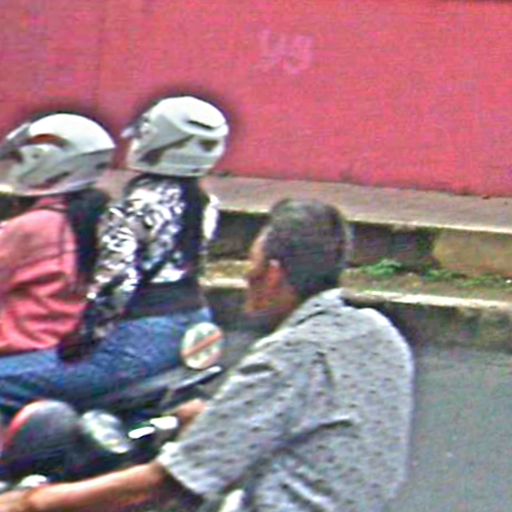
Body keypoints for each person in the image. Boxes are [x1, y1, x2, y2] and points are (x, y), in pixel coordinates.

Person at [0, 199, 414, 512]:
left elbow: (170, 481)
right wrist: (214, 419)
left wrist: (33, 502)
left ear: (272, 273)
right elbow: (311, 422)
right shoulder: (378, 333)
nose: (246, 275)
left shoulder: (291, 354)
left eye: (251, 262)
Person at [0, 96, 229, 419]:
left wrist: (84, 340)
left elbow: (116, 283)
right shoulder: (205, 202)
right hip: (196, 320)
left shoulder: (131, 207)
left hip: (140, 336)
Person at [0, 113, 114, 355]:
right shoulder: (95, 214)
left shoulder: (32, 227)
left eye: (20, 159)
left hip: (24, 347)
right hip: (68, 341)